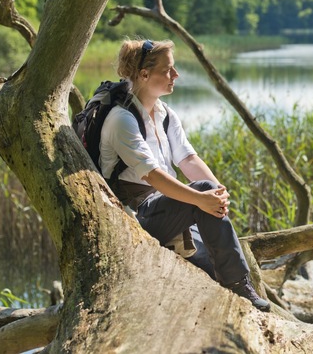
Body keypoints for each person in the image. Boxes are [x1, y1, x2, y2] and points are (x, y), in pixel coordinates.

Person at [99, 38, 270, 312]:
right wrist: (202, 197)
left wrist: (217, 191)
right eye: (168, 70)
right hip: (137, 216)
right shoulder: (122, 120)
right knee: (202, 191)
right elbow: (153, 176)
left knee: (212, 272)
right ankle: (240, 285)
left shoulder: (165, 114)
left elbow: (188, 159)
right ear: (144, 75)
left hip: (169, 209)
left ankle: (236, 298)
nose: (175, 75)